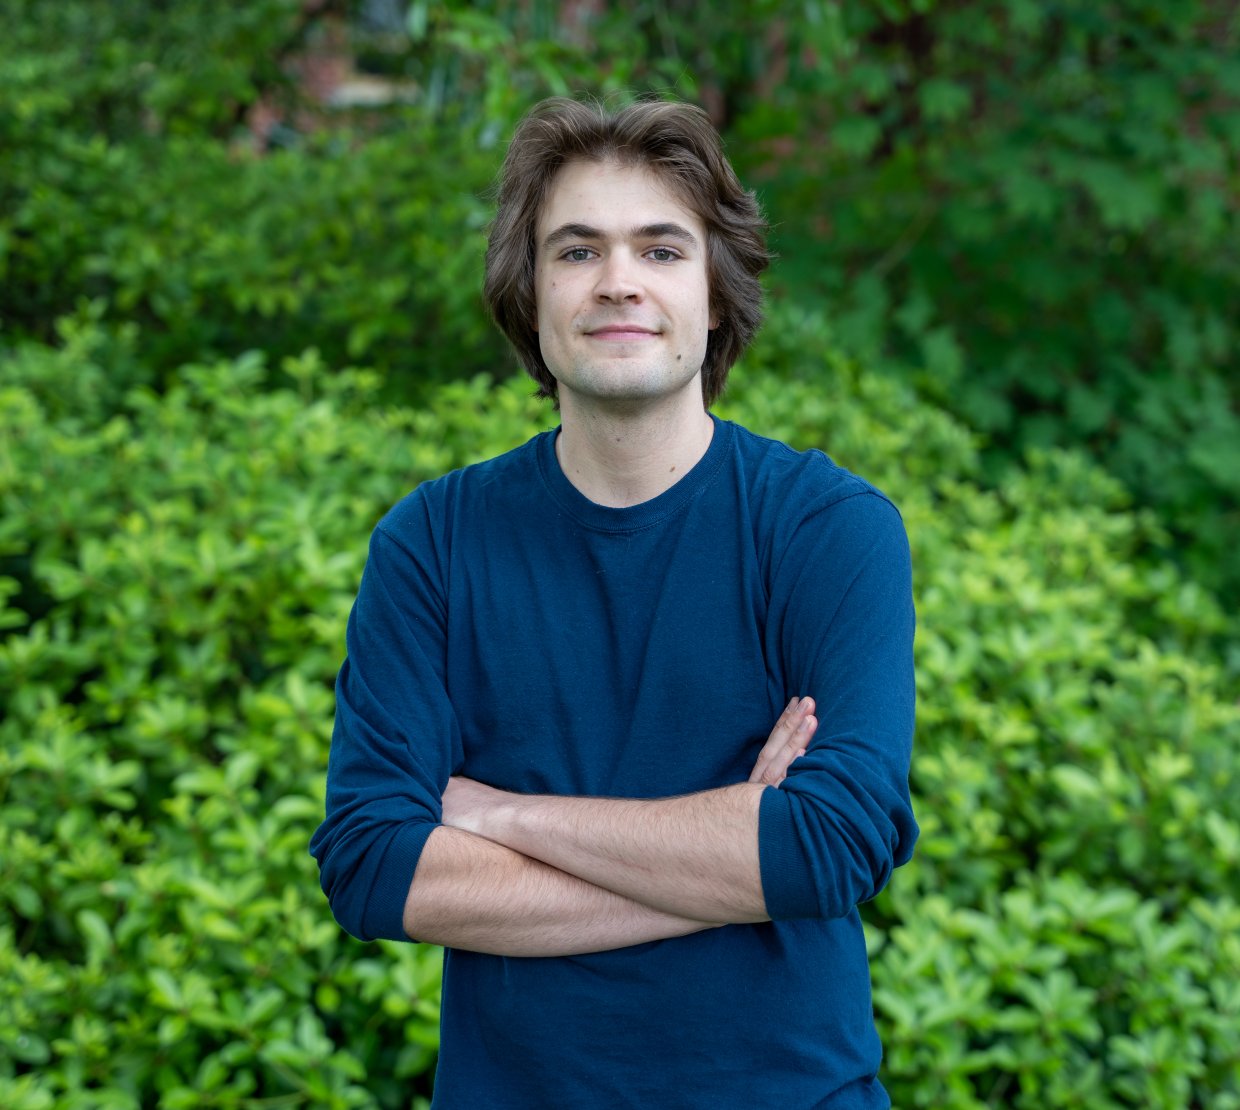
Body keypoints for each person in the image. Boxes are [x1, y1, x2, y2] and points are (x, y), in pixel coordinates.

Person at [310, 96, 918, 1108]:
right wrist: (733, 860)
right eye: (577, 251)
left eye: (662, 250)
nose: (619, 283)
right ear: (530, 295)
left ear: (714, 296)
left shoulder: (827, 530)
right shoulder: (432, 543)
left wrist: (498, 815)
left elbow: (828, 846)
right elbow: (375, 865)